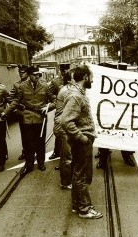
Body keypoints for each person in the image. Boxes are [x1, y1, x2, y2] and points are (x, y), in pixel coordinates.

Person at [60, 65, 103, 219]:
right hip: (81, 141)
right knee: (82, 176)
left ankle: (76, 205)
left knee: (78, 174)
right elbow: (65, 121)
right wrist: (82, 137)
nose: (92, 79)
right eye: (91, 77)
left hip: (81, 139)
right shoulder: (76, 96)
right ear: (85, 77)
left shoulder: (78, 93)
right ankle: (85, 209)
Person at [5, 65, 56, 176]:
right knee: (28, 143)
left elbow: (55, 101)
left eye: (39, 74)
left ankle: (41, 162)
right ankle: (29, 165)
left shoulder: (45, 87)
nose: (37, 76)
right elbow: (16, 102)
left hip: (40, 118)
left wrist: (48, 108)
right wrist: (6, 112)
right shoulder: (22, 87)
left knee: (40, 141)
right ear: (29, 75)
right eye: (35, 75)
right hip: (27, 118)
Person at [54, 67, 73, 188]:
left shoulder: (67, 89)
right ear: (69, 80)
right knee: (67, 157)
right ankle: (65, 182)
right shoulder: (67, 91)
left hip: (64, 125)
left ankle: (66, 180)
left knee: (67, 155)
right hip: (64, 127)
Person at [8, 64, 29, 161]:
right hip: (22, 113)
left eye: (23, 72)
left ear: (28, 73)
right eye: (20, 72)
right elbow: (10, 97)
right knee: (24, 134)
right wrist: (17, 106)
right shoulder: (16, 84)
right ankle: (25, 152)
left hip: (33, 112)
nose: (21, 73)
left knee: (34, 134)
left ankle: (35, 152)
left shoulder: (34, 82)